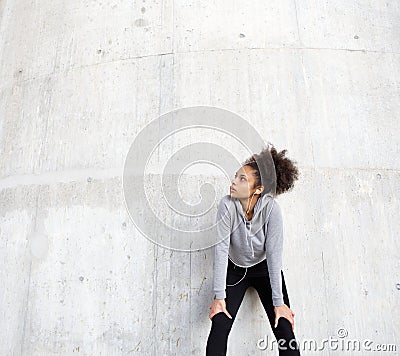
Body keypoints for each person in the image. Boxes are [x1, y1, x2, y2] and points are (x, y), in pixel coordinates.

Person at [206, 144, 301, 355]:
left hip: (264, 270)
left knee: (284, 325)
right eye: (235, 176)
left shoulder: (271, 210)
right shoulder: (227, 205)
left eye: (242, 179)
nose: (233, 182)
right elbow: (221, 251)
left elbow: (275, 258)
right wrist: (219, 297)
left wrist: (279, 303)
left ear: (258, 189)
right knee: (219, 324)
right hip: (235, 270)